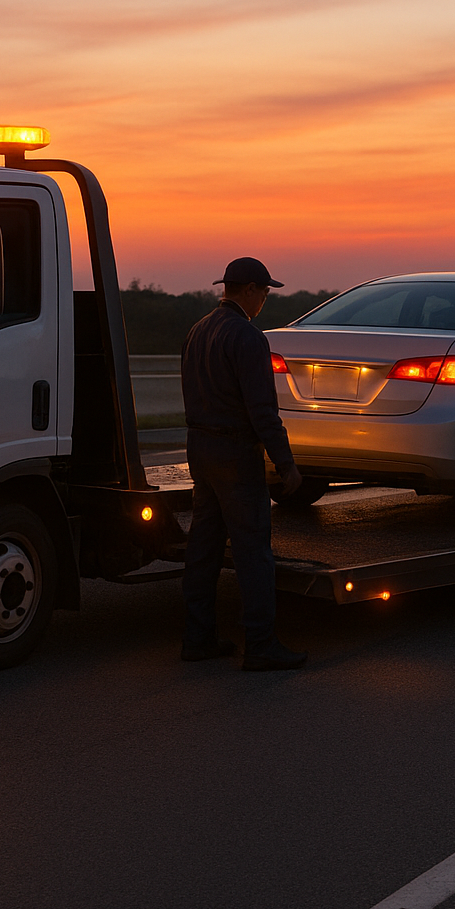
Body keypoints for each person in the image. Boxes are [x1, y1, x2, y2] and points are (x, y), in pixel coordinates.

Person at [179, 257, 308, 671]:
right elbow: (262, 411)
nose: (266, 300)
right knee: (254, 552)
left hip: (199, 448)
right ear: (249, 289)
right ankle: (261, 644)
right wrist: (285, 462)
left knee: (204, 548)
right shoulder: (248, 338)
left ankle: (197, 639)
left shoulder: (197, 331)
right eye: (266, 292)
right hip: (235, 455)